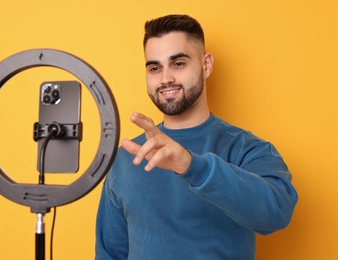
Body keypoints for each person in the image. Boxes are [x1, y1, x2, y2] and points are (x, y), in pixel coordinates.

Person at [95, 14, 298, 260]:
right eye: (155, 68)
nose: (165, 78)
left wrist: (192, 166)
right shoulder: (128, 157)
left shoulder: (247, 149)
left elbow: (277, 213)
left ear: (206, 64)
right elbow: (110, 254)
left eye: (178, 63)